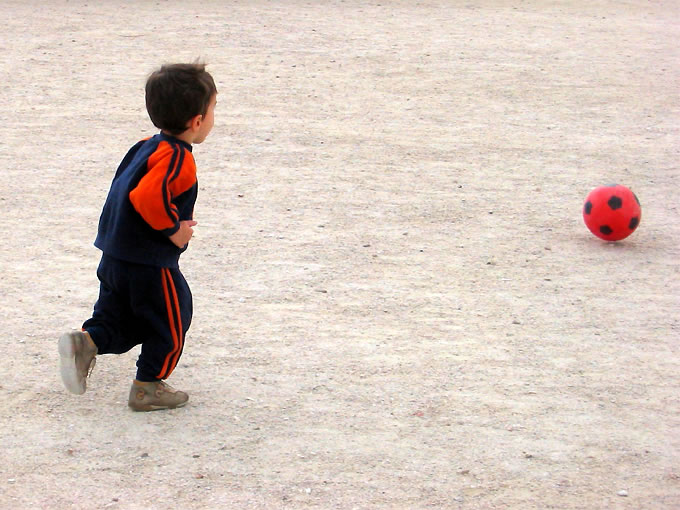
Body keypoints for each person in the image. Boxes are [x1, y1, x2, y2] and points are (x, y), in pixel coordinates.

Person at [59, 63, 217, 411]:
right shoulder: (178, 158)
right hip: (149, 261)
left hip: (116, 255)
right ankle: (148, 386)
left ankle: (87, 342)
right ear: (196, 120)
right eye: (213, 111)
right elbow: (145, 197)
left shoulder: (146, 145)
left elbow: (122, 189)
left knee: (122, 317)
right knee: (173, 318)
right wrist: (175, 231)